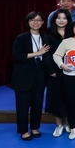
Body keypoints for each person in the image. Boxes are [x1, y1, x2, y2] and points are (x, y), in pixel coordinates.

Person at [12, 12, 51, 141]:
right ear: (28, 22)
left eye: (39, 20)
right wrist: (37, 53)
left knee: (37, 103)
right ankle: (23, 130)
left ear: (43, 22)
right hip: (23, 76)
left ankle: (35, 127)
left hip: (39, 74)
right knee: (22, 105)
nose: (36, 22)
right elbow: (16, 56)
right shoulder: (21, 37)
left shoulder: (45, 36)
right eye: (33, 20)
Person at [46, 9, 72, 137]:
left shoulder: (72, 32)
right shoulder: (48, 33)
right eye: (59, 18)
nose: (61, 20)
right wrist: (51, 70)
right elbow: (46, 54)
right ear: (54, 19)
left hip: (70, 71)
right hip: (55, 71)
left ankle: (67, 122)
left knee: (68, 96)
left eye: (64, 18)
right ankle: (59, 125)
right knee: (55, 97)